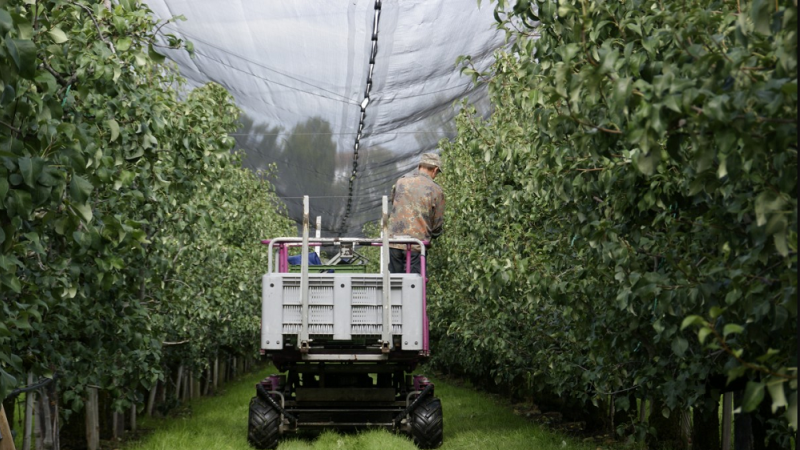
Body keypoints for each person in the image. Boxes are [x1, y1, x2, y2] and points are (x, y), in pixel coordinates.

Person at [388, 152, 445, 274]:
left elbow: (393, 204)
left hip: (394, 243)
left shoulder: (400, 182)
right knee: (414, 287)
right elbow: (437, 225)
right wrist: (434, 234)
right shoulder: (436, 190)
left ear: (420, 166)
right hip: (416, 245)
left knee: (394, 286)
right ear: (435, 170)